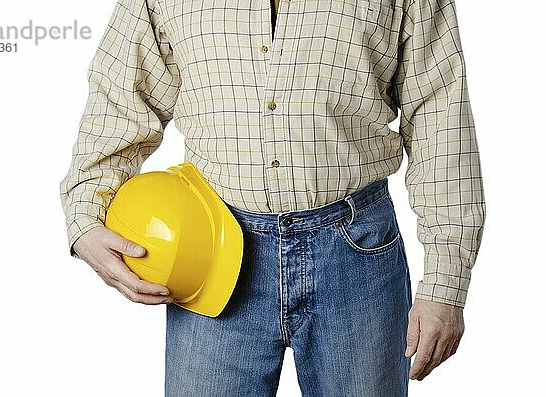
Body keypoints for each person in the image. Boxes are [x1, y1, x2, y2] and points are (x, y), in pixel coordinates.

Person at [59, 0, 486, 395]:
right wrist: (85, 220)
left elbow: (439, 119)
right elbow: (118, 100)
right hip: (208, 249)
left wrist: (446, 285)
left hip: (358, 254)